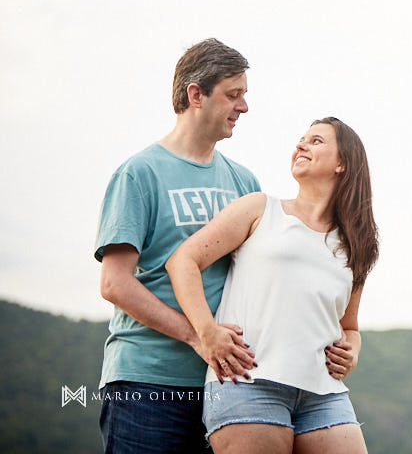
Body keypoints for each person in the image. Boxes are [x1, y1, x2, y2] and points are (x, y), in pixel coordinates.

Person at [166, 117, 379, 454]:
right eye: (302, 139)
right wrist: (206, 332)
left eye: (316, 141)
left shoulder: (357, 243)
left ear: (342, 164)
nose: (302, 145)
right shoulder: (260, 209)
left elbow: (349, 326)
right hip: (249, 382)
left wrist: (352, 351)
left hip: (324, 394)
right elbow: (182, 261)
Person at [94, 38, 261, 453]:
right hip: (146, 383)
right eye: (233, 95)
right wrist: (197, 336)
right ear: (195, 95)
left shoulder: (245, 184)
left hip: (226, 387)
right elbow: (114, 283)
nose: (244, 107)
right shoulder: (139, 174)